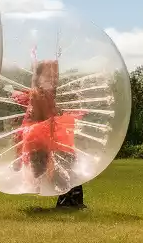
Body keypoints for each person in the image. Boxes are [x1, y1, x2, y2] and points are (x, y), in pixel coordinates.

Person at [9, 60, 86, 207]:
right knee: (61, 167)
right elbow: (45, 117)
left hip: (41, 139)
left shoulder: (45, 94)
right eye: (48, 76)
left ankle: (70, 201)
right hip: (39, 139)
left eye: (54, 76)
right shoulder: (39, 94)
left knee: (62, 168)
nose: (53, 79)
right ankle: (70, 201)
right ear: (38, 78)